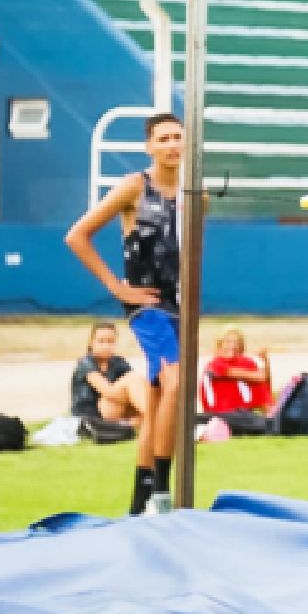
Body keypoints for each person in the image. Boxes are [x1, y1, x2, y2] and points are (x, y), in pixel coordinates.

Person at [65, 111, 184, 514]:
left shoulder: (191, 193)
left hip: (179, 304)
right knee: (174, 383)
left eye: (177, 138)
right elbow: (77, 236)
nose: (171, 145)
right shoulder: (135, 187)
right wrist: (116, 287)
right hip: (147, 305)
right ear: (149, 146)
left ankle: (138, 500)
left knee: (155, 396)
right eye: (163, 138)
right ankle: (163, 493)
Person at [69, 321, 147, 431]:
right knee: (133, 379)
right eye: (101, 341)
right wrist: (132, 393)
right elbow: (109, 392)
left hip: (114, 409)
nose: (106, 346)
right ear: (91, 343)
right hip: (92, 415)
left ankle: (144, 419)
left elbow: (137, 387)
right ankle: (153, 415)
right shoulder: (86, 363)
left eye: (110, 342)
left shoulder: (118, 362)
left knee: (138, 381)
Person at [198, 326, 273, 424]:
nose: (232, 346)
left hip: (243, 413)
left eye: (236, 343)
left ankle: (271, 416)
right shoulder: (214, 365)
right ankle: (270, 421)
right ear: (220, 345)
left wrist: (265, 361)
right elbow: (260, 376)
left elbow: (264, 381)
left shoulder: (247, 362)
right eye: (228, 342)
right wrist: (265, 364)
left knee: (260, 385)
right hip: (219, 414)